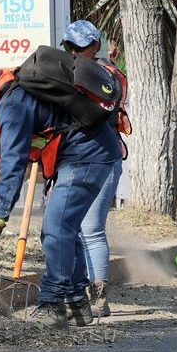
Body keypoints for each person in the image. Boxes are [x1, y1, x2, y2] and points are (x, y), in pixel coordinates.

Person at [0, 57, 122, 328]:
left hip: (88, 154)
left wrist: (1, 214)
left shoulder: (11, 103)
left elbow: (12, 160)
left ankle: (52, 304)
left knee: (56, 228)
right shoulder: (11, 93)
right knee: (65, 228)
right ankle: (77, 302)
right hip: (80, 153)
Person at [61, 20, 124, 316]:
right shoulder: (77, 70)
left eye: (80, 47)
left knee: (91, 229)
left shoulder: (104, 75)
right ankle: (76, 292)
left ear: (95, 46)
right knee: (72, 228)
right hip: (75, 158)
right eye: (70, 46)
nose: (75, 52)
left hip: (101, 159)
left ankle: (98, 297)